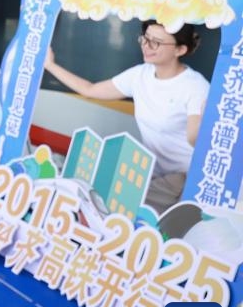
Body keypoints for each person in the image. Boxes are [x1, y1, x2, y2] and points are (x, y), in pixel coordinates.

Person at [44, 20, 209, 213]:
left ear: (180, 50)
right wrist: (50, 65)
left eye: (156, 42)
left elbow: (194, 139)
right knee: (99, 201)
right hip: (151, 170)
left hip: (183, 177)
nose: (147, 46)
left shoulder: (196, 86)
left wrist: (207, 123)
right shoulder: (140, 75)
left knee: (116, 210)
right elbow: (91, 89)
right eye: (145, 39)